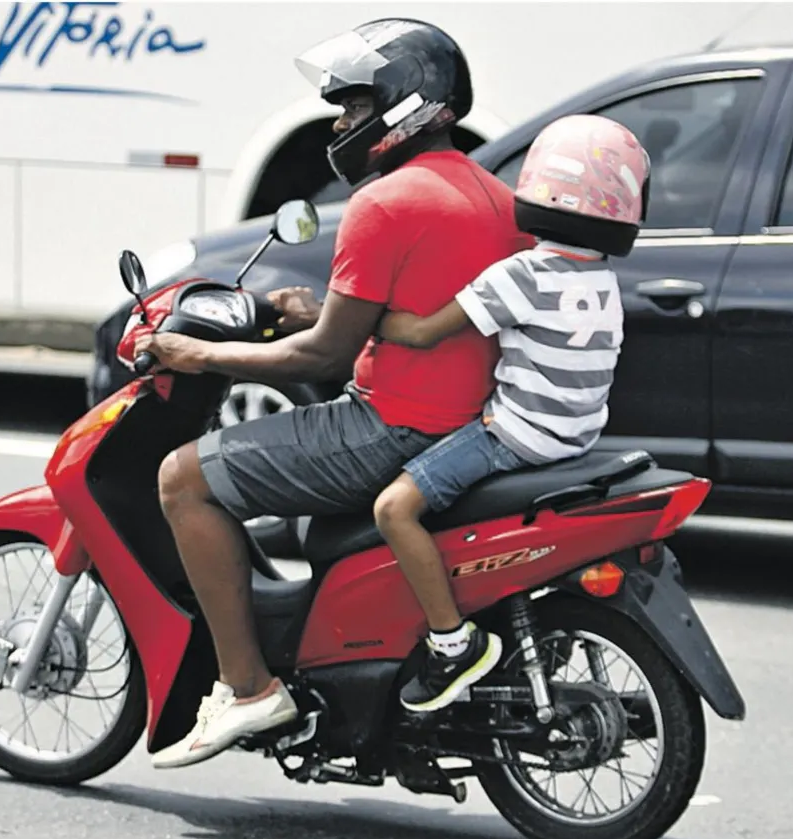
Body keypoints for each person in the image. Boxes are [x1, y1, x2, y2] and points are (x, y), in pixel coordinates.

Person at [136, 18, 534, 769]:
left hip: (394, 427)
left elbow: (321, 356)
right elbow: (426, 313)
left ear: (400, 105)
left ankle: (247, 686)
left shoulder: (385, 204)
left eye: (352, 108)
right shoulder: (490, 194)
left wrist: (198, 352)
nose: (343, 125)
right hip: (465, 424)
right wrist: (320, 309)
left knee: (182, 478)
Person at [370, 114, 652, 713]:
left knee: (394, 509)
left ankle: (451, 644)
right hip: (575, 439)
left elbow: (422, 333)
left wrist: (365, 316)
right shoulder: (602, 280)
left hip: (515, 439)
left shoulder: (523, 274)